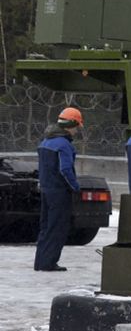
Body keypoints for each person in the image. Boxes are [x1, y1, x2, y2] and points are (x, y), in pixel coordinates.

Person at [34, 107, 83, 272]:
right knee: (58, 228)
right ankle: (49, 264)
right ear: (71, 125)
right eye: (77, 127)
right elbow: (65, 170)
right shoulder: (64, 144)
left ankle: (40, 262)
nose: (77, 131)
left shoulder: (45, 142)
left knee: (46, 227)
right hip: (60, 193)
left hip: (46, 191)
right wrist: (75, 187)